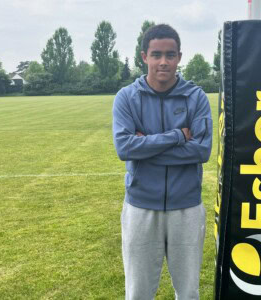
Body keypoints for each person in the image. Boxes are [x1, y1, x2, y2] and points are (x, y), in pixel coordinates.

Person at [112, 24, 212, 300]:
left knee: (188, 292)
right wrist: (177, 136)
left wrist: (145, 146)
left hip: (187, 207)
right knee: (138, 293)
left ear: (180, 56)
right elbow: (125, 147)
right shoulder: (126, 98)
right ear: (144, 57)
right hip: (141, 207)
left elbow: (201, 151)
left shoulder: (196, 97)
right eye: (156, 55)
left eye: (170, 54)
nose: (163, 62)